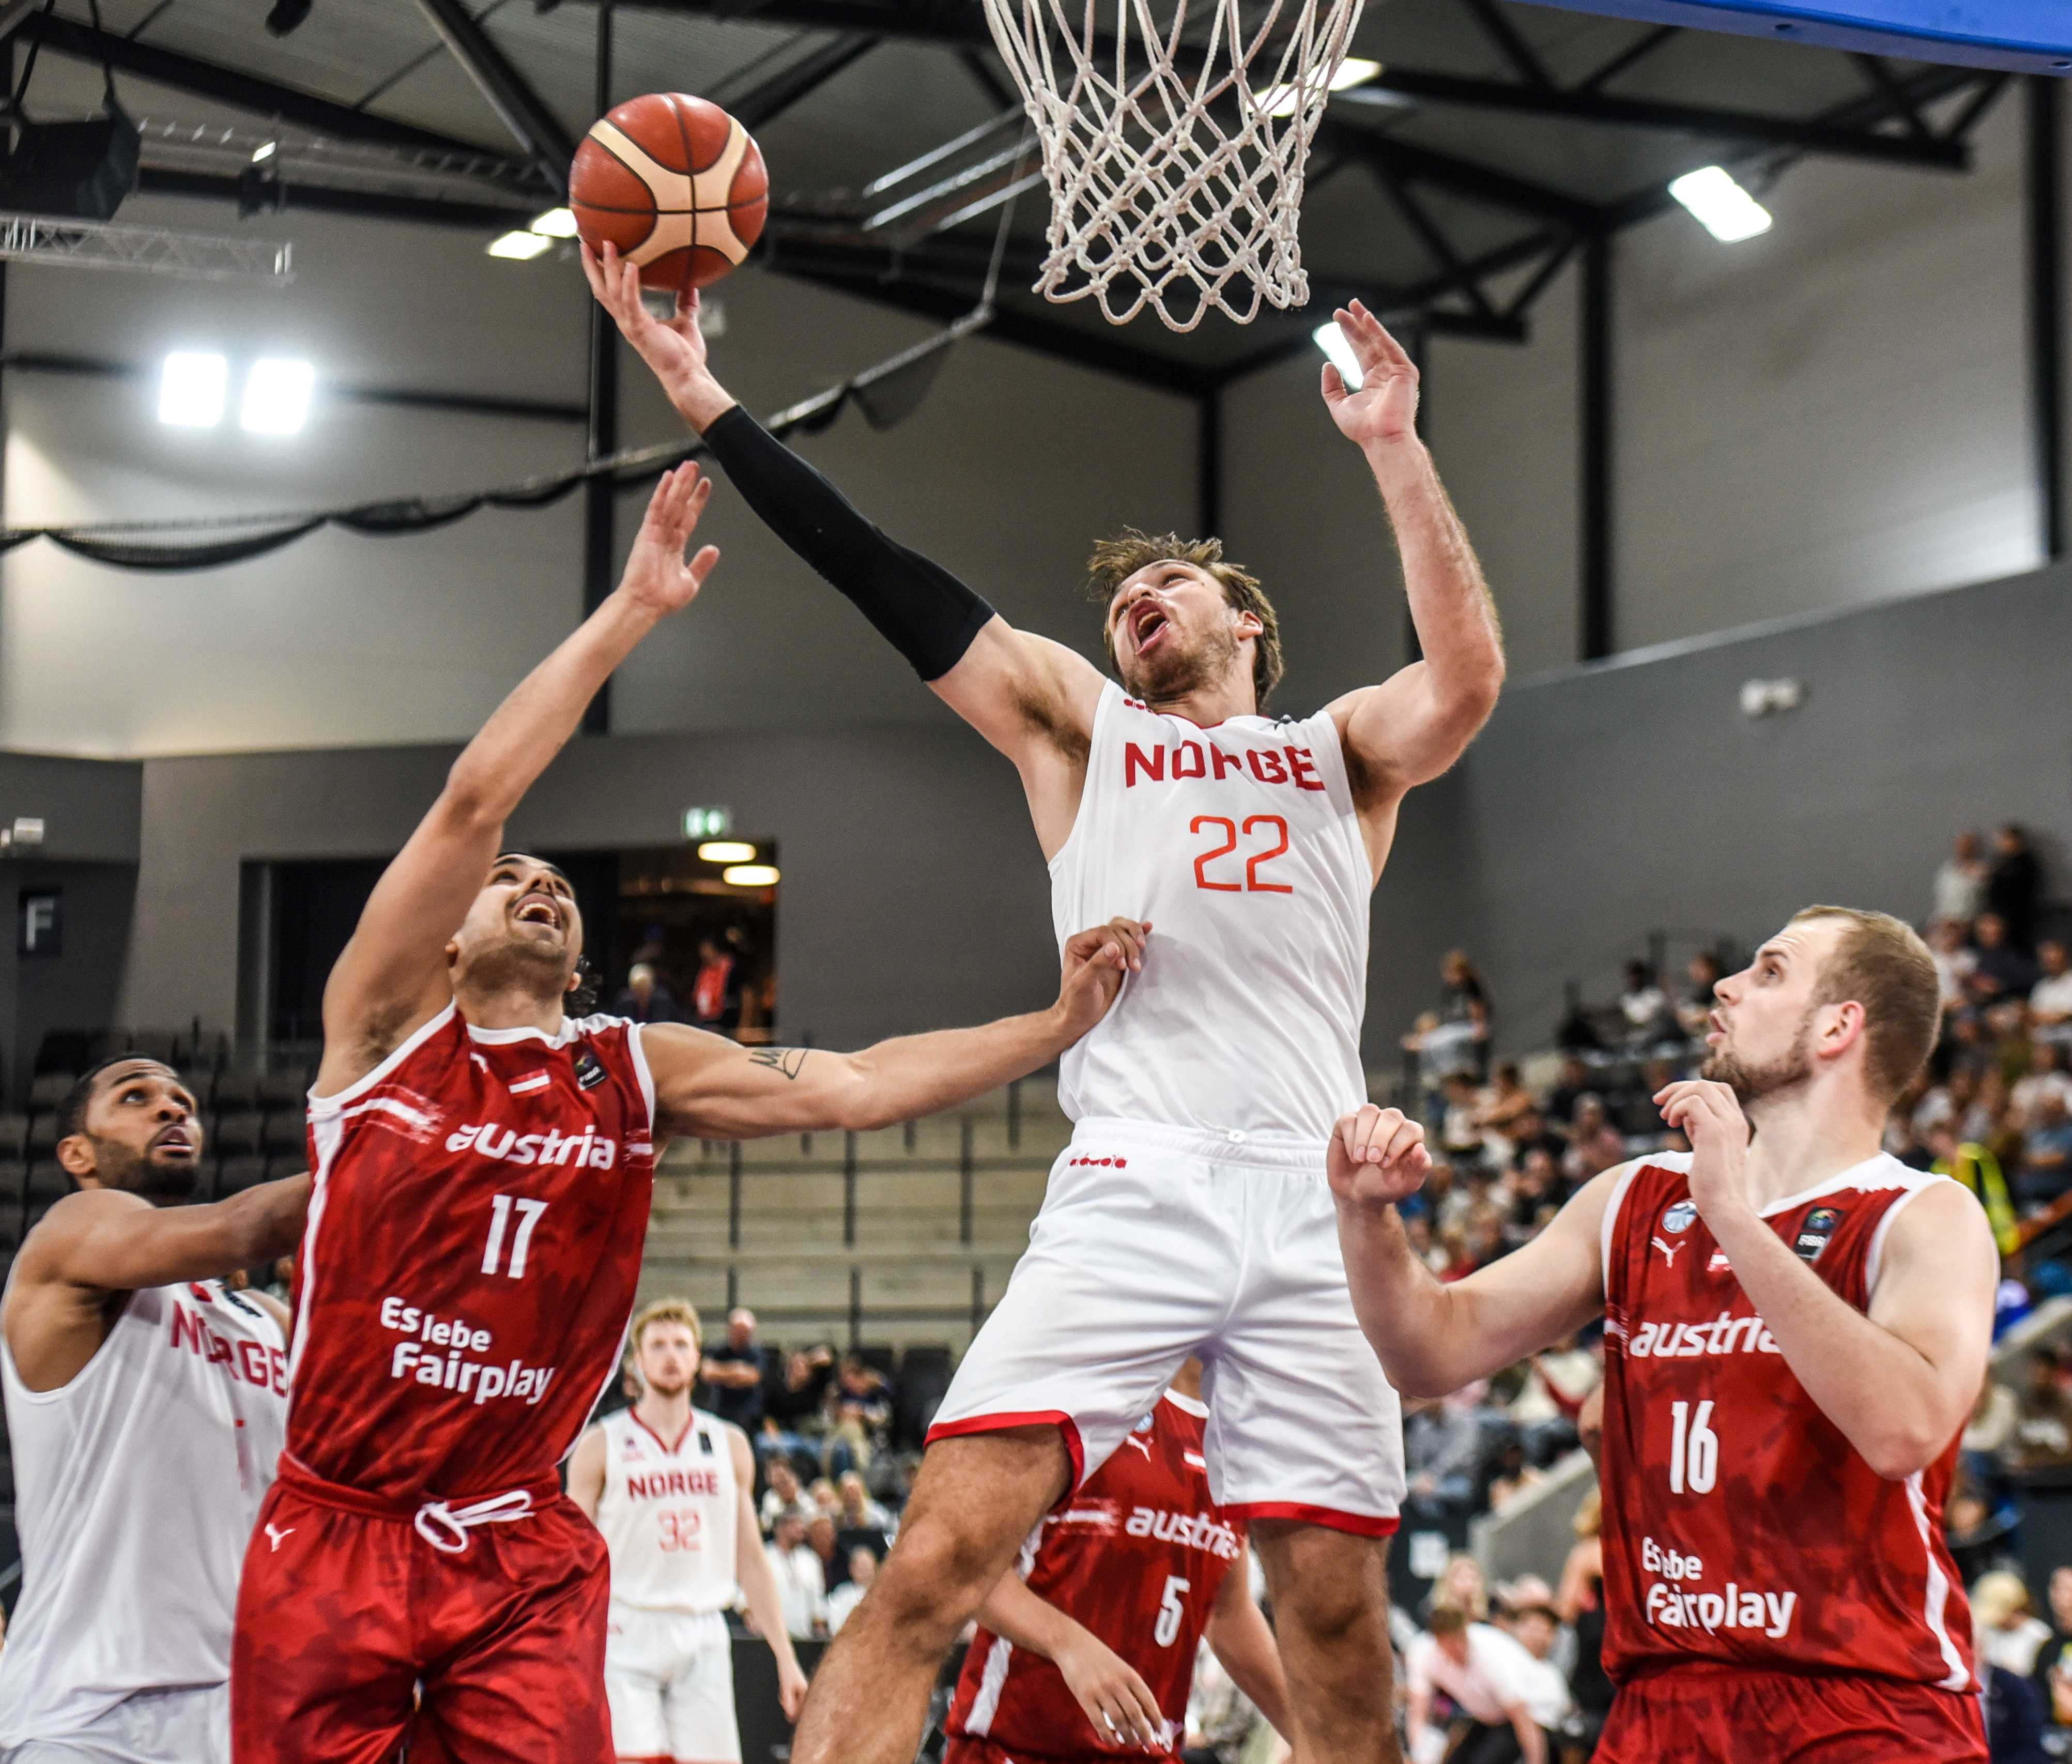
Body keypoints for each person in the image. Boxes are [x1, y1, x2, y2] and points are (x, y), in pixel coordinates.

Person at [589, 243, 1506, 1764]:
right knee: (935, 1563)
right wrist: (704, 395)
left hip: (1306, 1198)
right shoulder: (1080, 728)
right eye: (1123, 592)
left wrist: (1396, 451)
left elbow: (1464, 679)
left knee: (1334, 1613)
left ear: (1248, 627)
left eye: (1171, 580)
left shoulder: (1337, 749)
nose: (1137, 595)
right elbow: (885, 573)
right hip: (1132, 1179)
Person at [227, 464, 1147, 1763]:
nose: (536, 884)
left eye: (557, 883)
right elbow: (475, 798)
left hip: (517, 1539)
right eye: (510, 883)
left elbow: (859, 1082)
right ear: (446, 941)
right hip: (339, 1527)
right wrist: (633, 611)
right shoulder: (381, 1038)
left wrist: (1050, 1026)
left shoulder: (632, 1065)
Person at [1332, 906, 1999, 1760]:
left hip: (1860, 1707)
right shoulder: (1633, 1197)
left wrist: (1732, 1214)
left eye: (1768, 971)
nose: (1724, 984)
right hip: (1659, 1705)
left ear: (1838, 1024)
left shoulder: (1921, 1214)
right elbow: (1427, 1352)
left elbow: (1902, 1428)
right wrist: (1365, 1215)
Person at [0, 1057, 306, 1763]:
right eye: (136, 1098)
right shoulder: (69, 1235)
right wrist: (410, 1145)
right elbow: (244, 1227)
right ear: (77, 1154)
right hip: (91, 1719)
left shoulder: (263, 1317)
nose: (172, 1110)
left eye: (183, 1101)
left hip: (247, 1712)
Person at [942, 1362, 1289, 1763]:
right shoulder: (1083, 1394)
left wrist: (1314, 1732)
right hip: (1018, 1745)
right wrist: (1068, 1644)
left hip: (1146, 1750)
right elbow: (966, 1570)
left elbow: (1227, 1613)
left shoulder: (1237, 1436)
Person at [569, 1297, 807, 1763]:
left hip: (703, 1629)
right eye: (657, 1345)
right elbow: (571, 1560)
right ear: (637, 1362)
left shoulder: (729, 1444)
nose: (671, 1355)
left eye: (681, 1344)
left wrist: (785, 1654)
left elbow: (750, 1558)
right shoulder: (600, 1444)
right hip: (624, 1626)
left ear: (699, 1358)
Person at [1403, 1605, 1566, 1764]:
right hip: (1493, 1714)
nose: (1459, 1648)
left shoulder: (1490, 1656)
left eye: (1461, 1640)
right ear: (1438, 1641)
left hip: (1538, 1710)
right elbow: (1418, 1712)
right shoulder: (1421, 1654)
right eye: (1451, 1643)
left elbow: (1524, 1721)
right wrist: (1419, 1755)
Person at [699, 1308, 770, 1435]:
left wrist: (722, 1373)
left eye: (746, 1332)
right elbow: (707, 1373)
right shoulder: (717, 1350)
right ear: (730, 1330)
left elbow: (753, 1377)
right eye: (739, 1331)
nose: (742, 1335)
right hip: (720, 1411)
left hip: (748, 1417)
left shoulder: (757, 1353)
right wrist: (737, 1370)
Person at [765, 1508, 826, 1641]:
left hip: (803, 1635)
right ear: (780, 1528)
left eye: (802, 1524)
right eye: (795, 1524)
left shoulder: (811, 1559)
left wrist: (819, 1625)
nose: (801, 1529)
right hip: (767, 1637)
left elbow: (817, 1597)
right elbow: (748, 1592)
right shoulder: (765, 1556)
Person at [1987, 826, 2043, 954]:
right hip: (1999, 915)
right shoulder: (2001, 861)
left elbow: (2021, 888)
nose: (2002, 843)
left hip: (2017, 918)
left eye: (2006, 839)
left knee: (2016, 949)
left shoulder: (2027, 862)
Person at [1936, 832, 1990, 927]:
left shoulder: (1982, 871)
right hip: (1946, 922)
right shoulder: (1948, 870)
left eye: (1968, 846)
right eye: (1961, 845)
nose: (1964, 849)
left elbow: (1980, 900)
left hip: (1970, 923)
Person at [611, 960, 682, 1025]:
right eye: (637, 990)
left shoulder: (662, 1002)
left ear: (652, 987)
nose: (642, 994)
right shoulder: (624, 1003)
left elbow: (664, 1026)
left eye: (645, 989)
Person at [827, 1547, 877, 1634]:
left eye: (866, 1565)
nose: (863, 1569)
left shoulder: (880, 1595)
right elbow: (834, 1621)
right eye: (860, 1565)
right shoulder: (842, 1593)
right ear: (851, 1568)